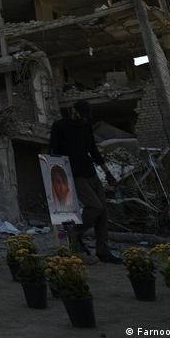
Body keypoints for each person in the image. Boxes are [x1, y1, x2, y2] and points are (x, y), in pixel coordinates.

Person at [50, 100, 121, 264]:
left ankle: (103, 251)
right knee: (95, 207)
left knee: (103, 213)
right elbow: (53, 151)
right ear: (73, 111)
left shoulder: (86, 126)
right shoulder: (59, 126)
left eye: (86, 117)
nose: (83, 119)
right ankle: (74, 233)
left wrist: (108, 173)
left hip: (91, 172)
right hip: (73, 175)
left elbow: (93, 151)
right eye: (81, 115)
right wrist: (57, 180)